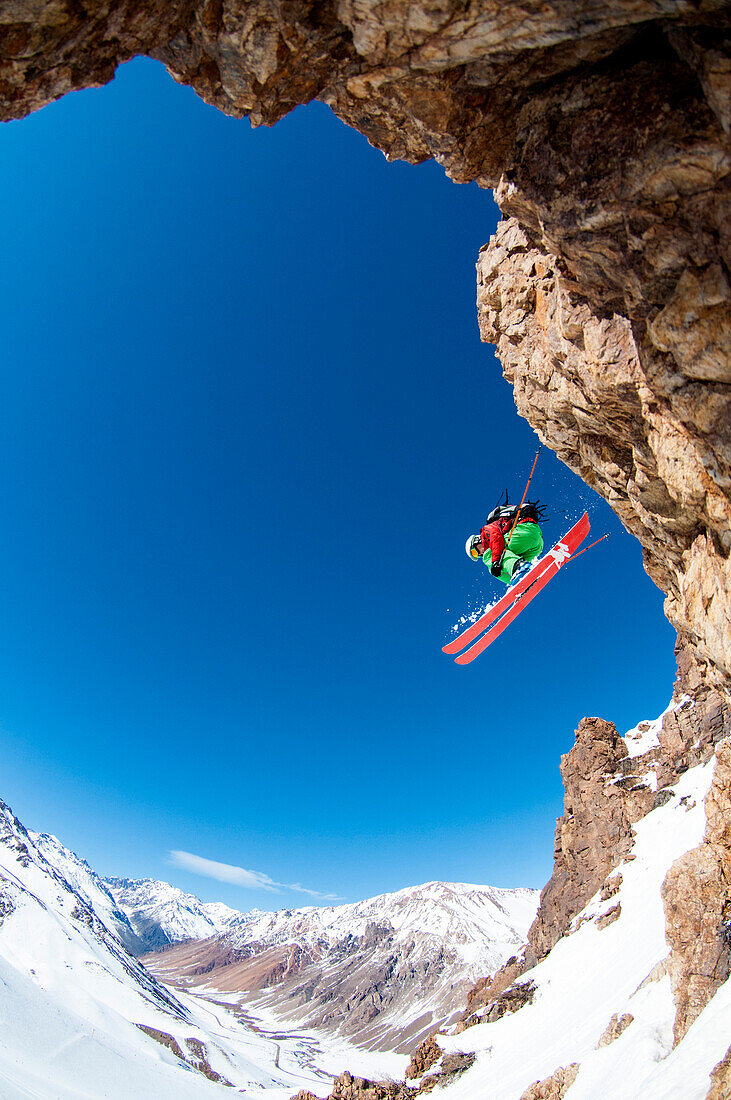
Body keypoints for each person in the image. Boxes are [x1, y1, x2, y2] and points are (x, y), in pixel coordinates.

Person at [465, 500, 544, 584]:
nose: (480, 554)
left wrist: (495, 561)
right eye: (476, 556)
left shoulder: (486, 531)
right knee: (494, 569)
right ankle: (520, 581)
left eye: (475, 552)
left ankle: (520, 568)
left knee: (489, 557)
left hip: (522, 532)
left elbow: (496, 537)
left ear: (477, 541)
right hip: (536, 540)